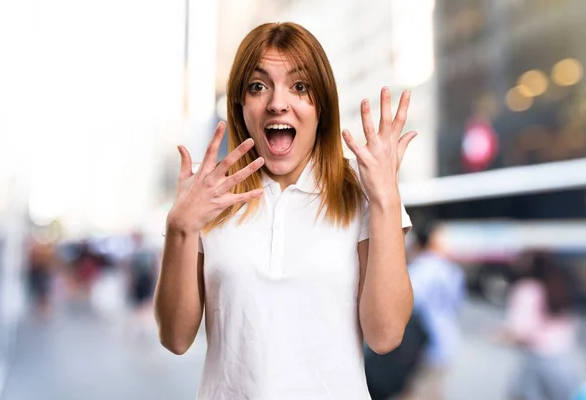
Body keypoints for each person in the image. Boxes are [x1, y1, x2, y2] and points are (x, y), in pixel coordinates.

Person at [154, 22, 417, 399]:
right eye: (258, 86)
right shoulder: (208, 194)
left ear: (321, 106)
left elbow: (386, 335)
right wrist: (180, 227)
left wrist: (386, 199)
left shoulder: (360, 189)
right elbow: (176, 338)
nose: (277, 102)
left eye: (299, 86)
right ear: (240, 106)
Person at [497, 250, 582, 400]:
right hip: (564, 361)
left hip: (537, 362)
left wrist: (498, 334)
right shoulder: (560, 285)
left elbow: (520, 332)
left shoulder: (527, 289)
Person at [401, 222, 465, 400]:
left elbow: (407, 303)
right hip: (446, 340)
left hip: (425, 345)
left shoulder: (423, 268)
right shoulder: (451, 269)